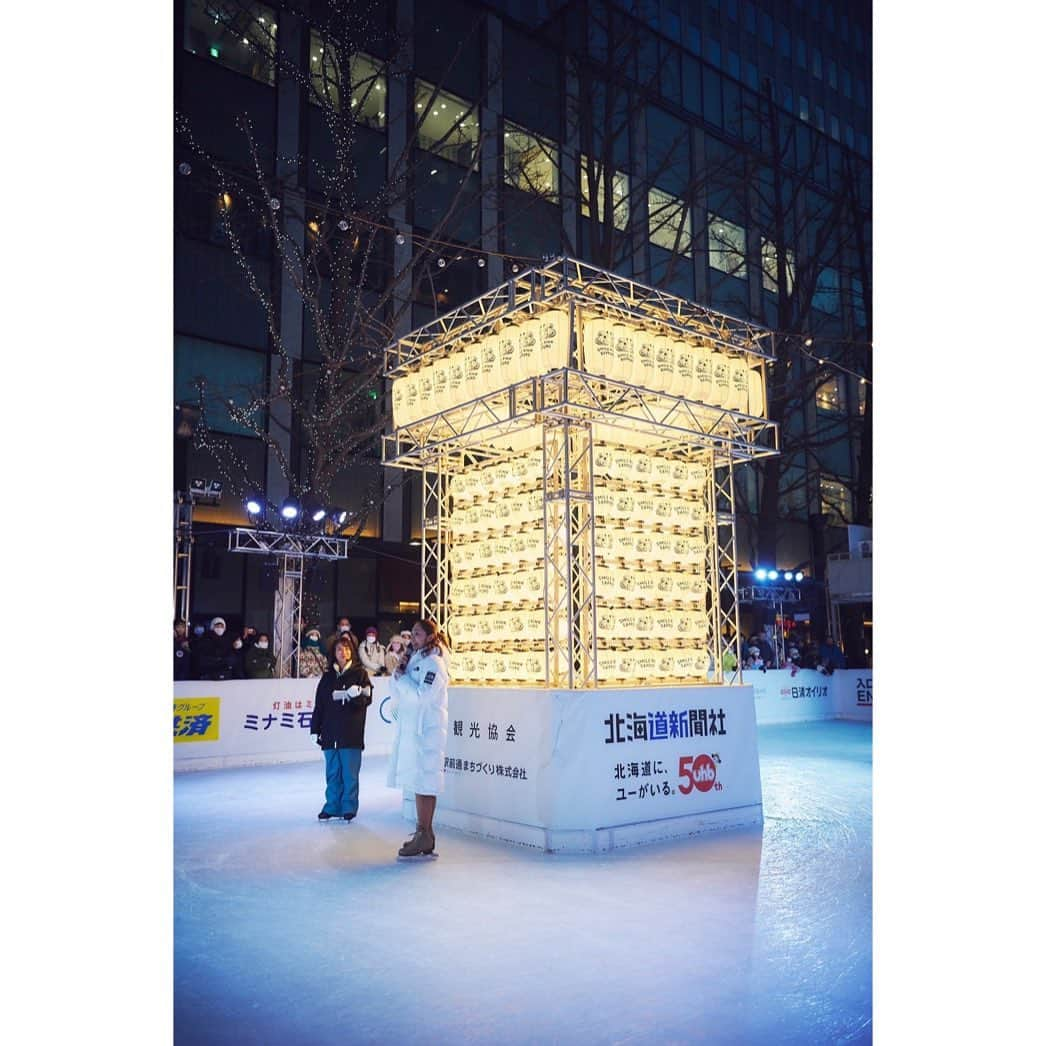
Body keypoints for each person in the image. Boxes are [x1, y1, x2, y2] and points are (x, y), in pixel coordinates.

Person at [387, 619, 450, 858]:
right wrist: (398, 676)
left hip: (428, 732)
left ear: (430, 636)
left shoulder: (434, 663)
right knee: (418, 781)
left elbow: (422, 696)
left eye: (418, 634)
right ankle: (423, 833)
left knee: (426, 782)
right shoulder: (414, 659)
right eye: (412, 634)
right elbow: (399, 692)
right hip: (415, 730)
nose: (413, 639)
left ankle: (424, 833)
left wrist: (403, 680)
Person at [310, 635, 373, 822]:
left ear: (351, 652)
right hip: (330, 734)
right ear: (334, 653)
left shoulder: (360, 674)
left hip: (350, 734)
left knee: (349, 774)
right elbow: (319, 704)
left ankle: (349, 807)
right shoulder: (328, 677)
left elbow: (367, 699)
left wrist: (356, 695)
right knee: (332, 773)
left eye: (346, 649)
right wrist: (315, 729)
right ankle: (331, 806)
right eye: (339, 649)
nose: (343, 652)